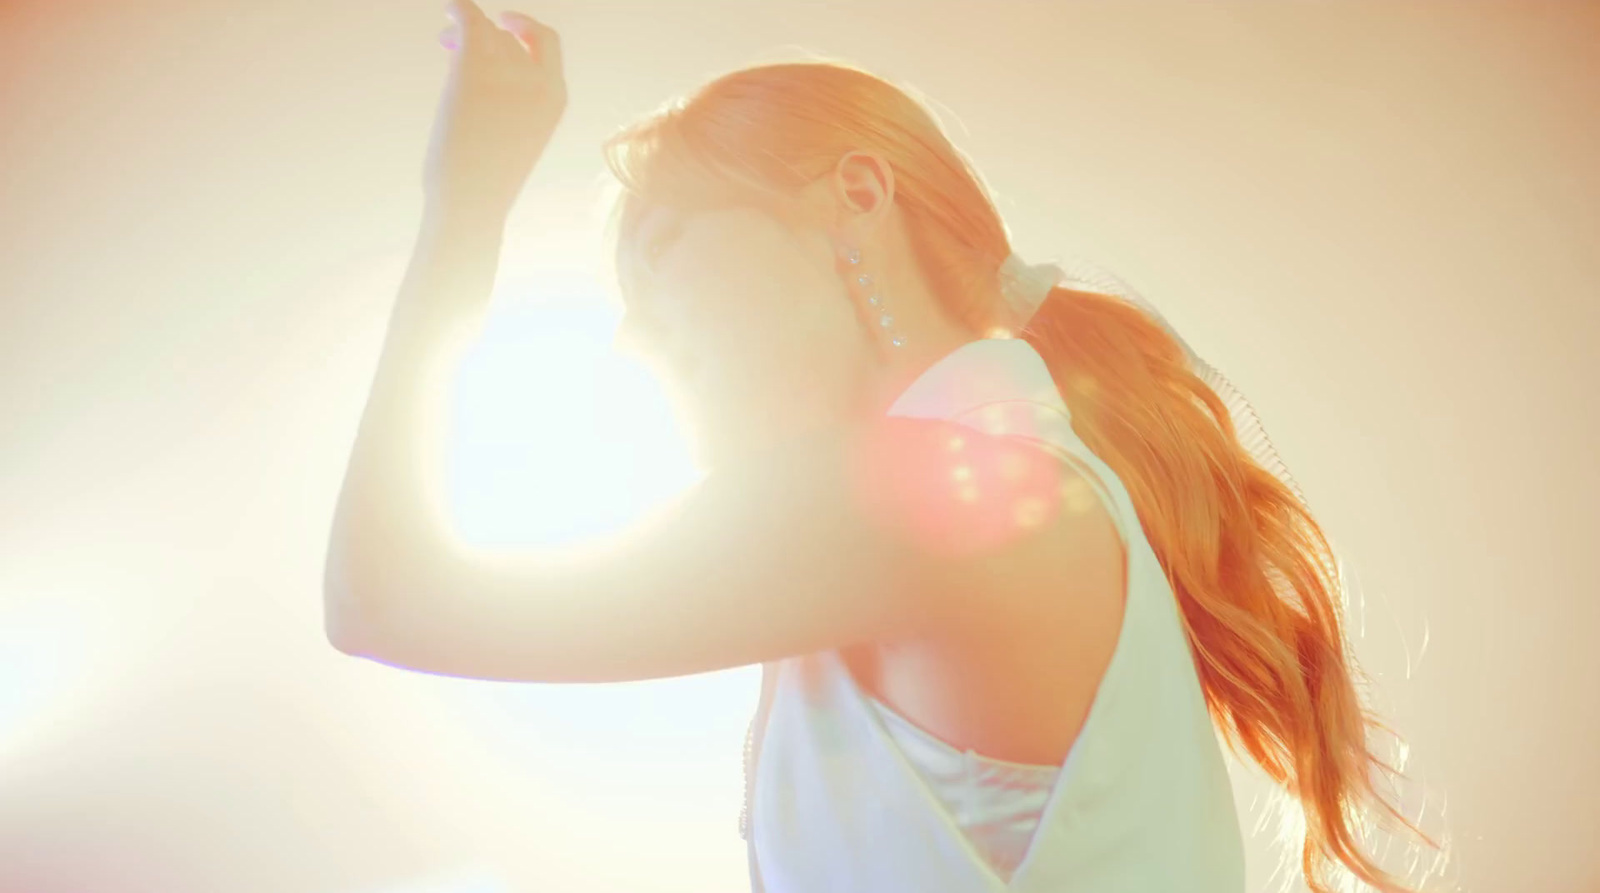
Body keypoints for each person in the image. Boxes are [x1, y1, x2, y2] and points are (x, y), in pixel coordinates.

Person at [323, 2, 1435, 891]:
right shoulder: (1004, 483)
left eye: (661, 254)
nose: (634, 334)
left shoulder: (923, 492)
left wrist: (463, 200)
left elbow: (387, 599)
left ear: (856, 193)